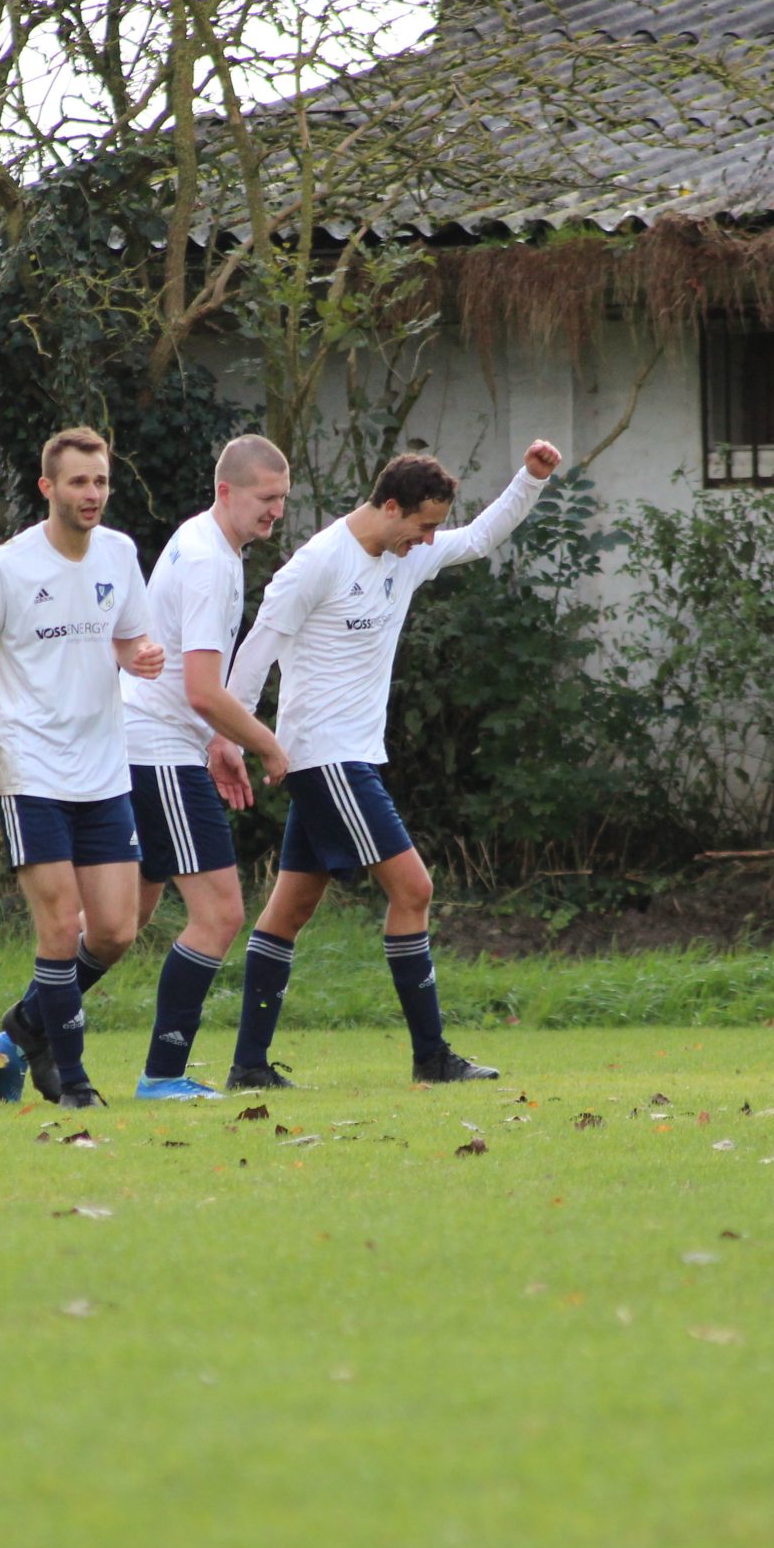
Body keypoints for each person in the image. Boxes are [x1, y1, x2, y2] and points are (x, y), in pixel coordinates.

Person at [217, 439, 565, 1088]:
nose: (429, 539)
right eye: (423, 525)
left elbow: (479, 538)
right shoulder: (318, 562)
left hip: (352, 759)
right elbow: (255, 652)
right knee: (415, 889)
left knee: (288, 911)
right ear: (391, 506)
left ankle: (248, 1067)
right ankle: (431, 1057)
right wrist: (230, 741)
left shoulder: (408, 556)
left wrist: (530, 479)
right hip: (323, 758)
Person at [0, 434, 294, 1104]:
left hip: (152, 747)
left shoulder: (213, 544)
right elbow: (203, 688)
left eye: (283, 500)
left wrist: (219, 741)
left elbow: (176, 669)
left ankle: (17, 1035)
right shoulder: (209, 560)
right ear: (227, 491)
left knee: (125, 922)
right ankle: (164, 1074)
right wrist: (264, 742)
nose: (277, 513)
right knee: (220, 913)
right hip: (156, 753)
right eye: (268, 499)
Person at [0, 427, 163, 1111]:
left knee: (117, 930)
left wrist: (139, 657)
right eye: (78, 482)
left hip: (103, 767)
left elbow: (127, 638)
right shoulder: (7, 567)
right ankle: (72, 1081)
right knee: (61, 927)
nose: (92, 494)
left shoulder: (121, 554)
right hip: (30, 764)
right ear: (48, 488)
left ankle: (25, 1025)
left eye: (100, 482)